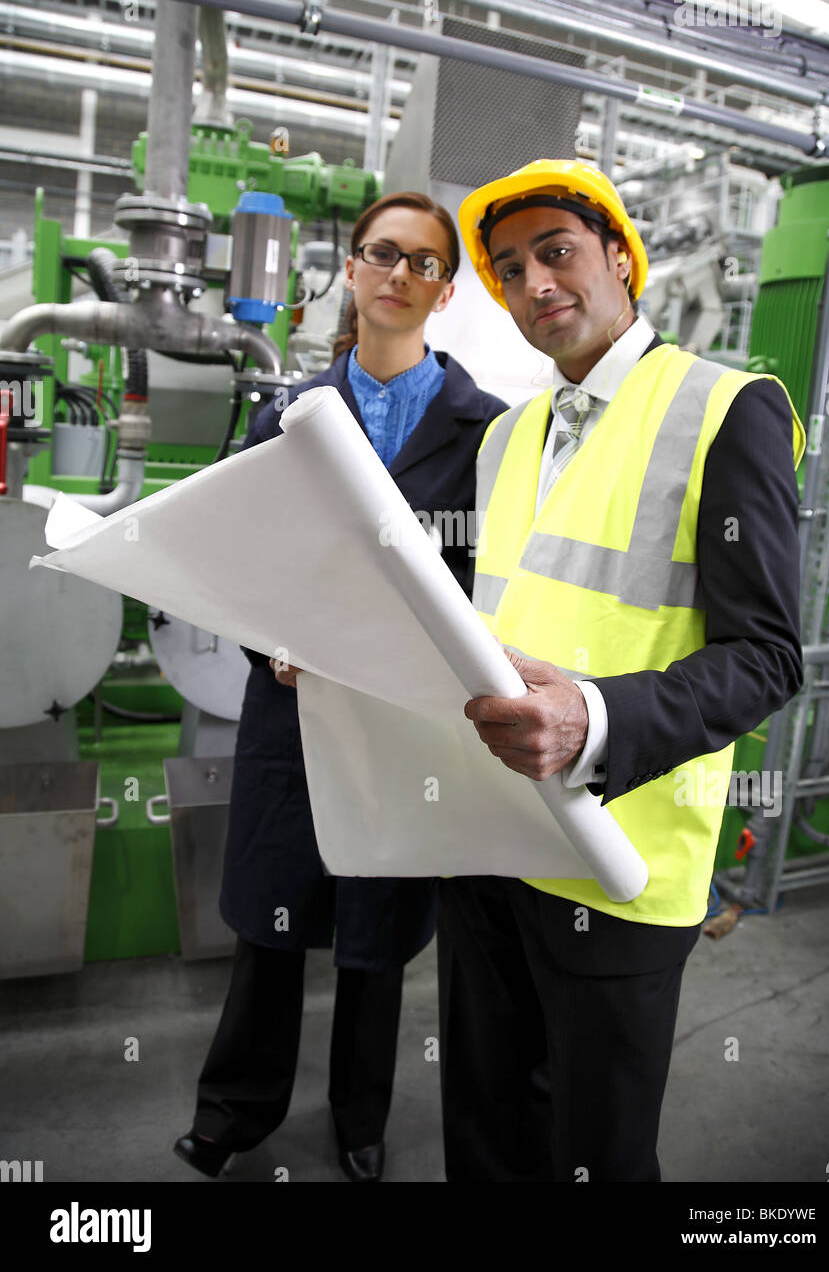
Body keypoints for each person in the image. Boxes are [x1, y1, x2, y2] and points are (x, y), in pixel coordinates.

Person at [436, 159, 805, 1183]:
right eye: (508, 270)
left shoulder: (723, 409)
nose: (534, 283)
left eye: (555, 251)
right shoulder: (505, 436)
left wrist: (590, 722)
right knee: (483, 1127)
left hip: (616, 861)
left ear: (618, 257)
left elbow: (767, 656)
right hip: (486, 838)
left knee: (590, 1150)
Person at [174, 191, 506, 1182]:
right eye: (382, 253)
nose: (399, 273)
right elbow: (232, 551)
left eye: (423, 262)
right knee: (272, 926)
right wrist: (266, 642)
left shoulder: (482, 431)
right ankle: (235, 1110)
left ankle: (359, 1117)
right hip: (294, 711)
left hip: (403, 722)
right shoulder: (286, 415)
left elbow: (489, 579)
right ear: (352, 270)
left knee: (375, 934)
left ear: (442, 292)